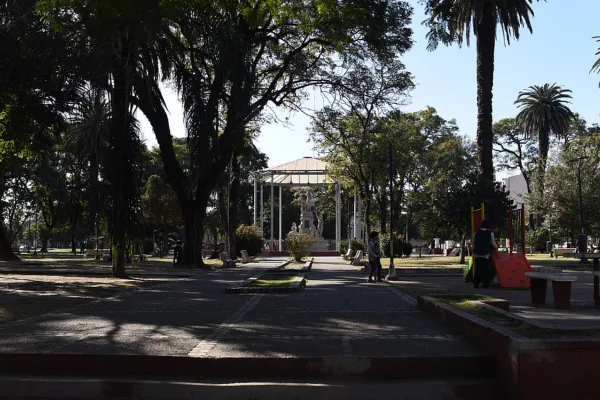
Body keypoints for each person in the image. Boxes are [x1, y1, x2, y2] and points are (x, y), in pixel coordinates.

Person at [472, 219, 498, 288]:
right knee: (485, 268)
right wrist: (496, 247)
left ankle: (476, 283)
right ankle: (485, 283)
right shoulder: (490, 233)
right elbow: (493, 243)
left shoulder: (476, 232)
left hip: (477, 253)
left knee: (478, 268)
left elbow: (473, 241)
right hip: (485, 253)